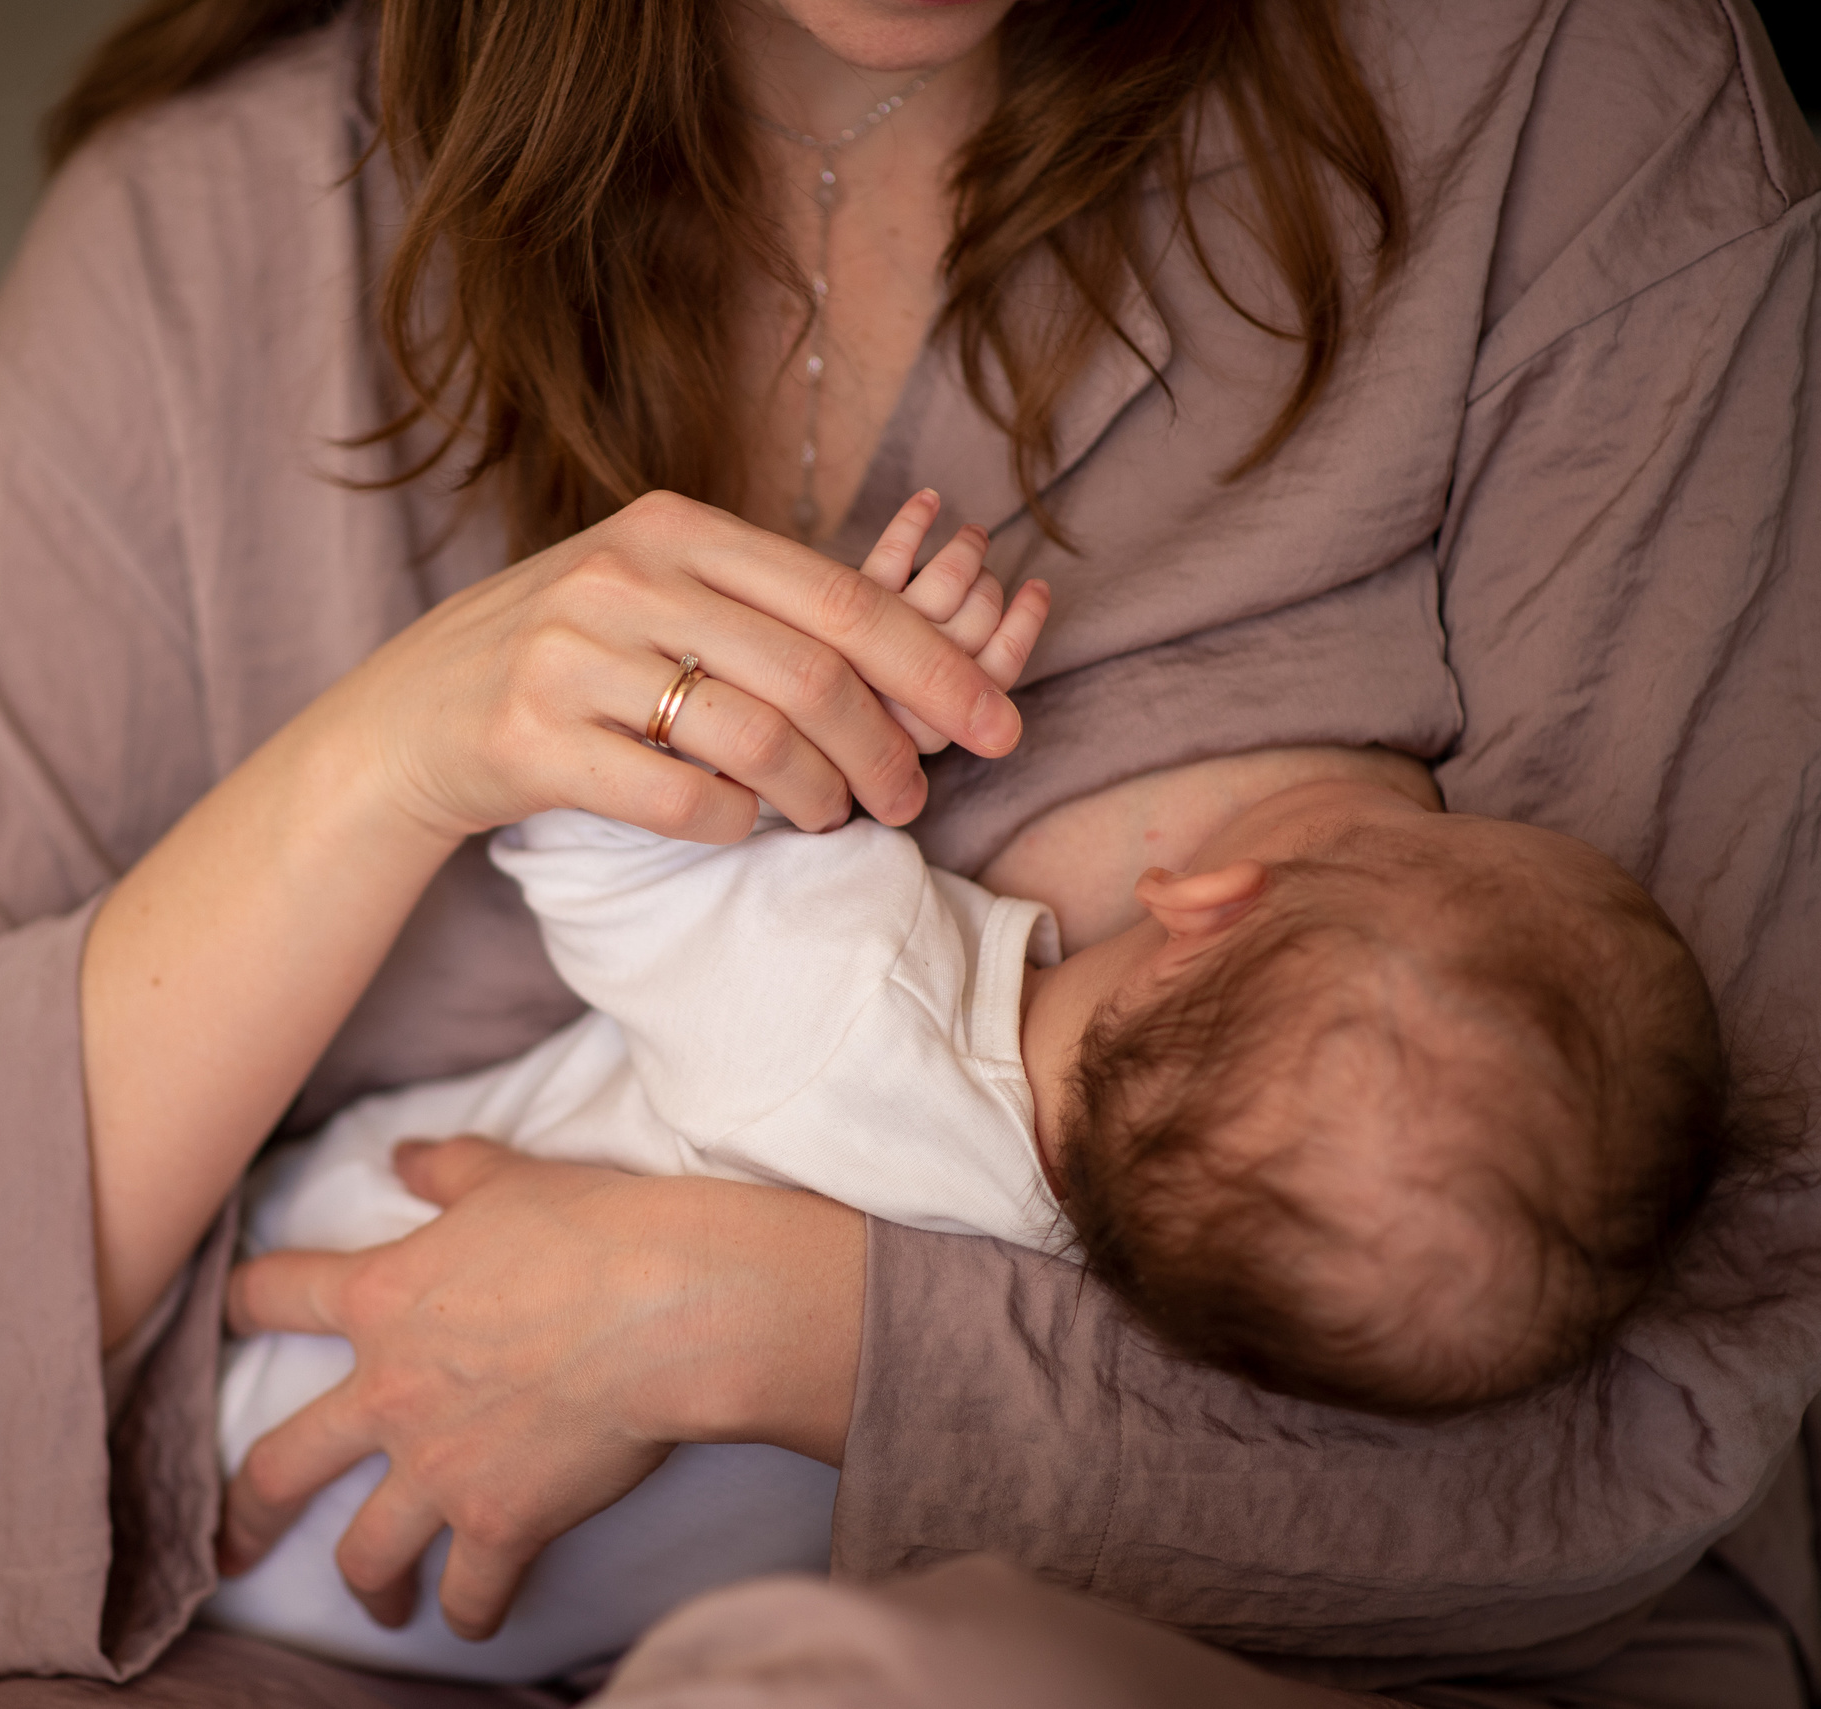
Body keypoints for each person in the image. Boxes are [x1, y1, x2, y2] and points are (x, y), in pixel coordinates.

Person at [0, 0, 1821, 1703]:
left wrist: (776, 1333)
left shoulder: (1553, 102)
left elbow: (1665, 1373)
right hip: (306, 1605)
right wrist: (392, 758)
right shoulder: (197, 262)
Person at [210, 505, 1740, 1682]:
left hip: (286, 1387)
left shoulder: (853, 1002)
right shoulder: (1089, 1385)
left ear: (1208, 893)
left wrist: (837, 718)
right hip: (465, 1626)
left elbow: (586, 837)